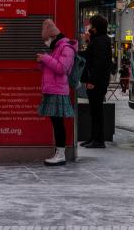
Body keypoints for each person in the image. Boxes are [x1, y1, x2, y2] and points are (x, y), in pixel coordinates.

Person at [37, 19, 77, 166]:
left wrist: (46, 58)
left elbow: (62, 69)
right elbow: (53, 70)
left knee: (58, 123)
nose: (46, 42)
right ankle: (58, 152)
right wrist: (43, 62)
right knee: (56, 122)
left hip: (58, 91)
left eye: (47, 39)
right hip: (53, 90)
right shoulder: (57, 48)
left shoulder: (66, 48)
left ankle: (60, 154)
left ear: (53, 36)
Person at [80, 14, 111, 148]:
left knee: (97, 111)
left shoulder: (101, 41)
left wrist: (92, 80)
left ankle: (99, 140)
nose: (89, 28)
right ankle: (94, 137)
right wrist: (87, 42)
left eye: (91, 25)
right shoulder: (98, 40)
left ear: (96, 28)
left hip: (97, 82)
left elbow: (99, 63)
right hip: (96, 81)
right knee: (94, 111)